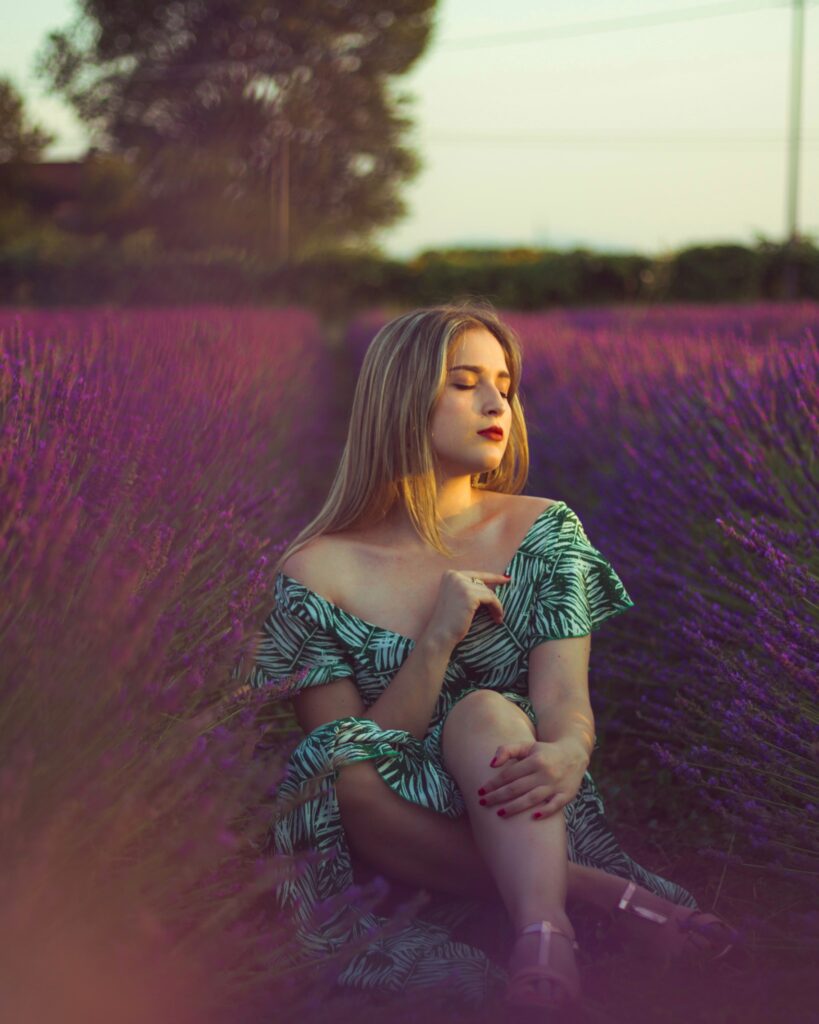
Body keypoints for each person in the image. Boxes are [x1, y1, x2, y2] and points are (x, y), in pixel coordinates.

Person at [241, 302, 736, 1012]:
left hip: (519, 794)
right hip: (387, 836)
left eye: (503, 382)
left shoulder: (543, 531)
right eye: (464, 381)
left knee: (484, 714)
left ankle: (542, 931)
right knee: (332, 770)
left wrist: (569, 749)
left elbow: (564, 698)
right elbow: (352, 763)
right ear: (402, 399)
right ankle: (600, 896)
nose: (494, 401)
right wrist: (436, 641)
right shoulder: (315, 572)